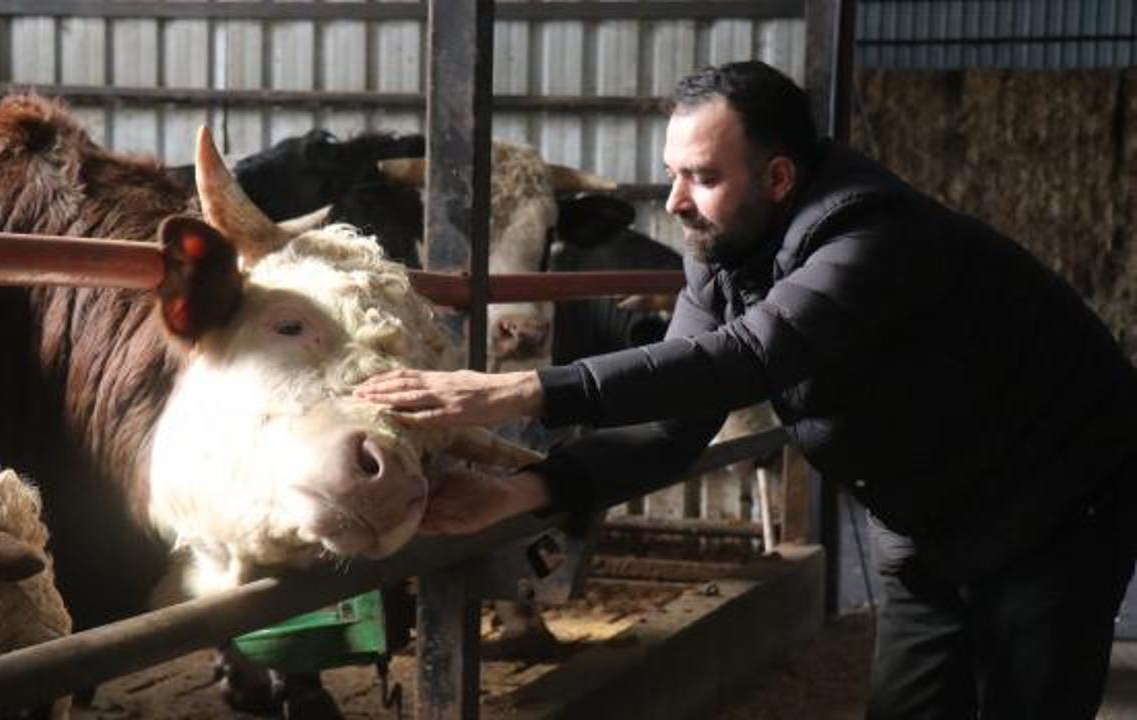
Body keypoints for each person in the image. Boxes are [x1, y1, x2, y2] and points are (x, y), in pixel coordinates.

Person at [355, 60, 1137, 719]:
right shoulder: (724, 251)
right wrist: (524, 492)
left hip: (1054, 511)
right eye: (672, 175)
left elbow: (747, 357)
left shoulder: (872, 236)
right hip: (923, 518)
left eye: (701, 177)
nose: (673, 203)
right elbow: (675, 424)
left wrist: (518, 391)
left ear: (779, 176)